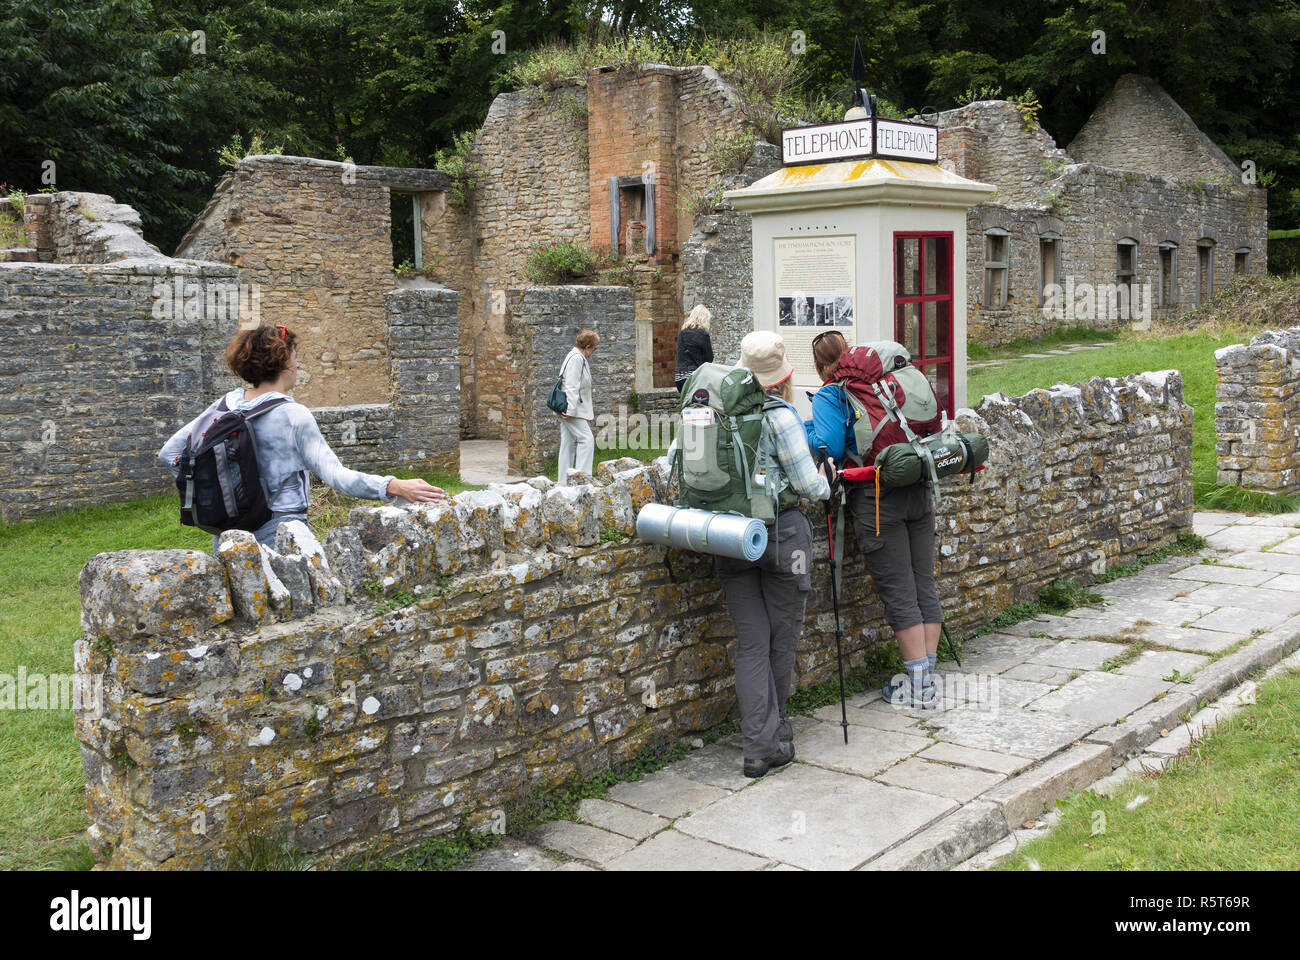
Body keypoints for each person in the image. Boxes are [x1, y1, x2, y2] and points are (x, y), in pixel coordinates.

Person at [159, 324, 446, 550]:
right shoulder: (293, 415)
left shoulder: (226, 404)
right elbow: (336, 476)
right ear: (283, 364)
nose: (298, 365)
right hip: (281, 530)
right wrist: (394, 485)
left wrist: (224, 489)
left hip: (227, 533)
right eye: (296, 358)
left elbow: (170, 454)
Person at [715, 331, 833, 777]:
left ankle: (756, 748)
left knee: (751, 643)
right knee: (781, 640)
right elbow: (808, 487)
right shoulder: (781, 416)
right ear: (782, 377)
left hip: (731, 537)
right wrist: (827, 478)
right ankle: (775, 736)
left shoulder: (718, 409)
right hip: (784, 537)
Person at [804, 330, 943, 709]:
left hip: (877, 498)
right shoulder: (885, 383)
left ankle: (919, 687)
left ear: (819, 368)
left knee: (898, 589)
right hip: (917, 482)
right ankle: (926, 674)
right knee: (922, 581)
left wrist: (809, 430)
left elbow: (830, 447)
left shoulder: (833, 393)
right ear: (849, 353)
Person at [557, 329, 598, 485]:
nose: (592, 353)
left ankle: (562, 482)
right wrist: (571, 410)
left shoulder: (574, 356)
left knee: (567, 443)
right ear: (587, 346)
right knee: (586, 439)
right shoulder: (577, 359)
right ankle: (582, 480)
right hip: (571, 408)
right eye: (593, 349)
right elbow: (571, 386)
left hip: (567, 407)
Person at [674, 304, 714, 393]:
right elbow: (709, 359)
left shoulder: (682, 333)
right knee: (699, 403)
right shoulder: (703, 334)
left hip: (679, 377)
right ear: (705, 318)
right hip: (694, 376)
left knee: (686, 404)